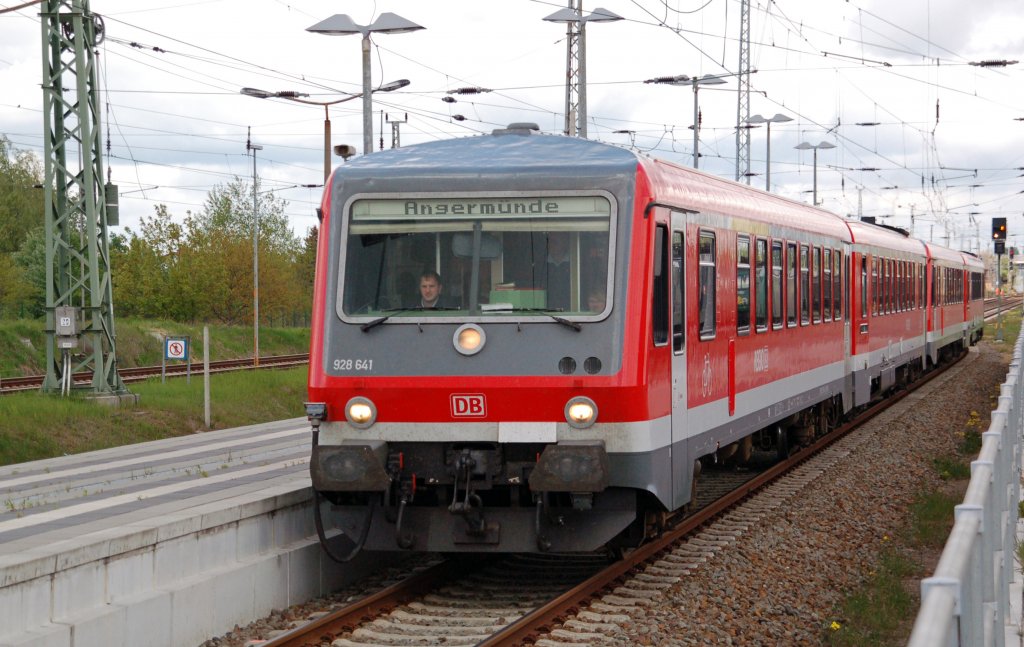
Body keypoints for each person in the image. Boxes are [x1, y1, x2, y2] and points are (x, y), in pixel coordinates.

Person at [543, 232, 571, 310]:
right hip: (545, 310)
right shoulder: (540, 264)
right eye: (549, 242)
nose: (551, 245)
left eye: (555, 242)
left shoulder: (576, 263)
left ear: (565, 243)